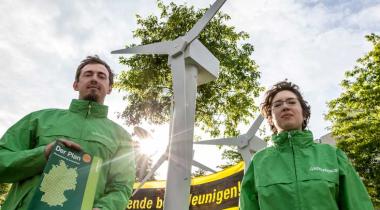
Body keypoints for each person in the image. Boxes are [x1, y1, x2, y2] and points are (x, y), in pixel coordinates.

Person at [0, 55, 136, 210]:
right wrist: (42, 155)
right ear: (76, 84)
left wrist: (104, 208)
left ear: (110, 88)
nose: (94, 79)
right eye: (88, 74)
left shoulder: (121, 137)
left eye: (101, 76)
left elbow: (121, 187)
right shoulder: (39, 119)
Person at [239, 80, 373, 210]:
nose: (285, 106)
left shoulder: (333, 156)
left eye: (291, 102)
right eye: (278, 104)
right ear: (270, 118)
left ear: (304, 114)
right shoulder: (258, 162)